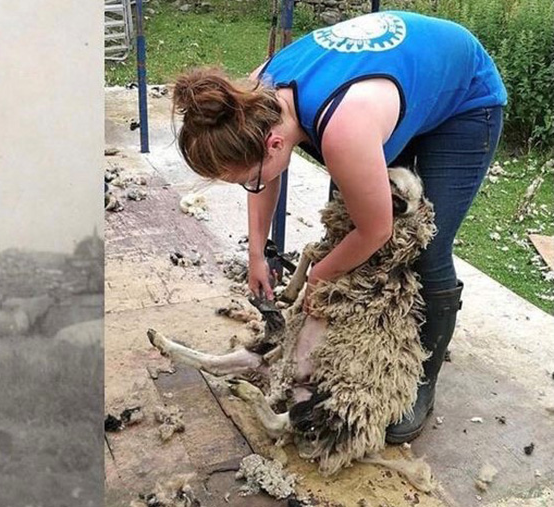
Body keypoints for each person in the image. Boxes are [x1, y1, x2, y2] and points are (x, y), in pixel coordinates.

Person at [171, 10, 506, 443]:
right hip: (394, 86)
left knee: (424, 246)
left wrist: (319, 277)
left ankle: (421, 380)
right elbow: (265, 176)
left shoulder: (342, 129)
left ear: (274, 142)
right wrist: (257, 252)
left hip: (464, 99)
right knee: (344, 234)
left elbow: (376, 229)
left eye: (246, 177)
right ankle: (361, 347)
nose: (250, 185)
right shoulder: (257, 96)